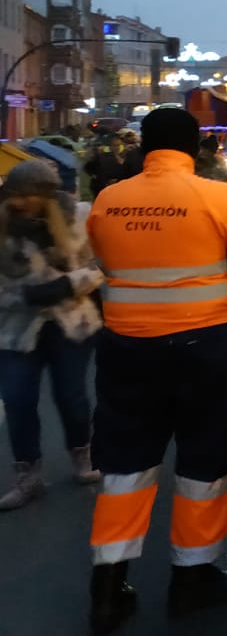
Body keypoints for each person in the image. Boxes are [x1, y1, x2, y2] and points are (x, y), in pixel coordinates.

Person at [84, 107, 227, 636]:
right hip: (202, 346)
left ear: (145, 146)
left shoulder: (109, 199)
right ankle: (192, 581)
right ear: (195, 147)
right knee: (206, 459)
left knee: (125, 462)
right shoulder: (218, 197)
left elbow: (103, 260)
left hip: (125, 348)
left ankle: (107, 590)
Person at [0, 159, 106, 510]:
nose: (17, 202)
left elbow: (101, 266)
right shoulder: (3, 227)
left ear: (44, 195)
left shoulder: (79, 217)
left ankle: (82, 455)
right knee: (17, 400)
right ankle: (28, 477)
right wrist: (25, 296)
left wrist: (67, 285)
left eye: (25, 195)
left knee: (71, 396)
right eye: (12, 195)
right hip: (16, 330)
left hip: (72, 325)